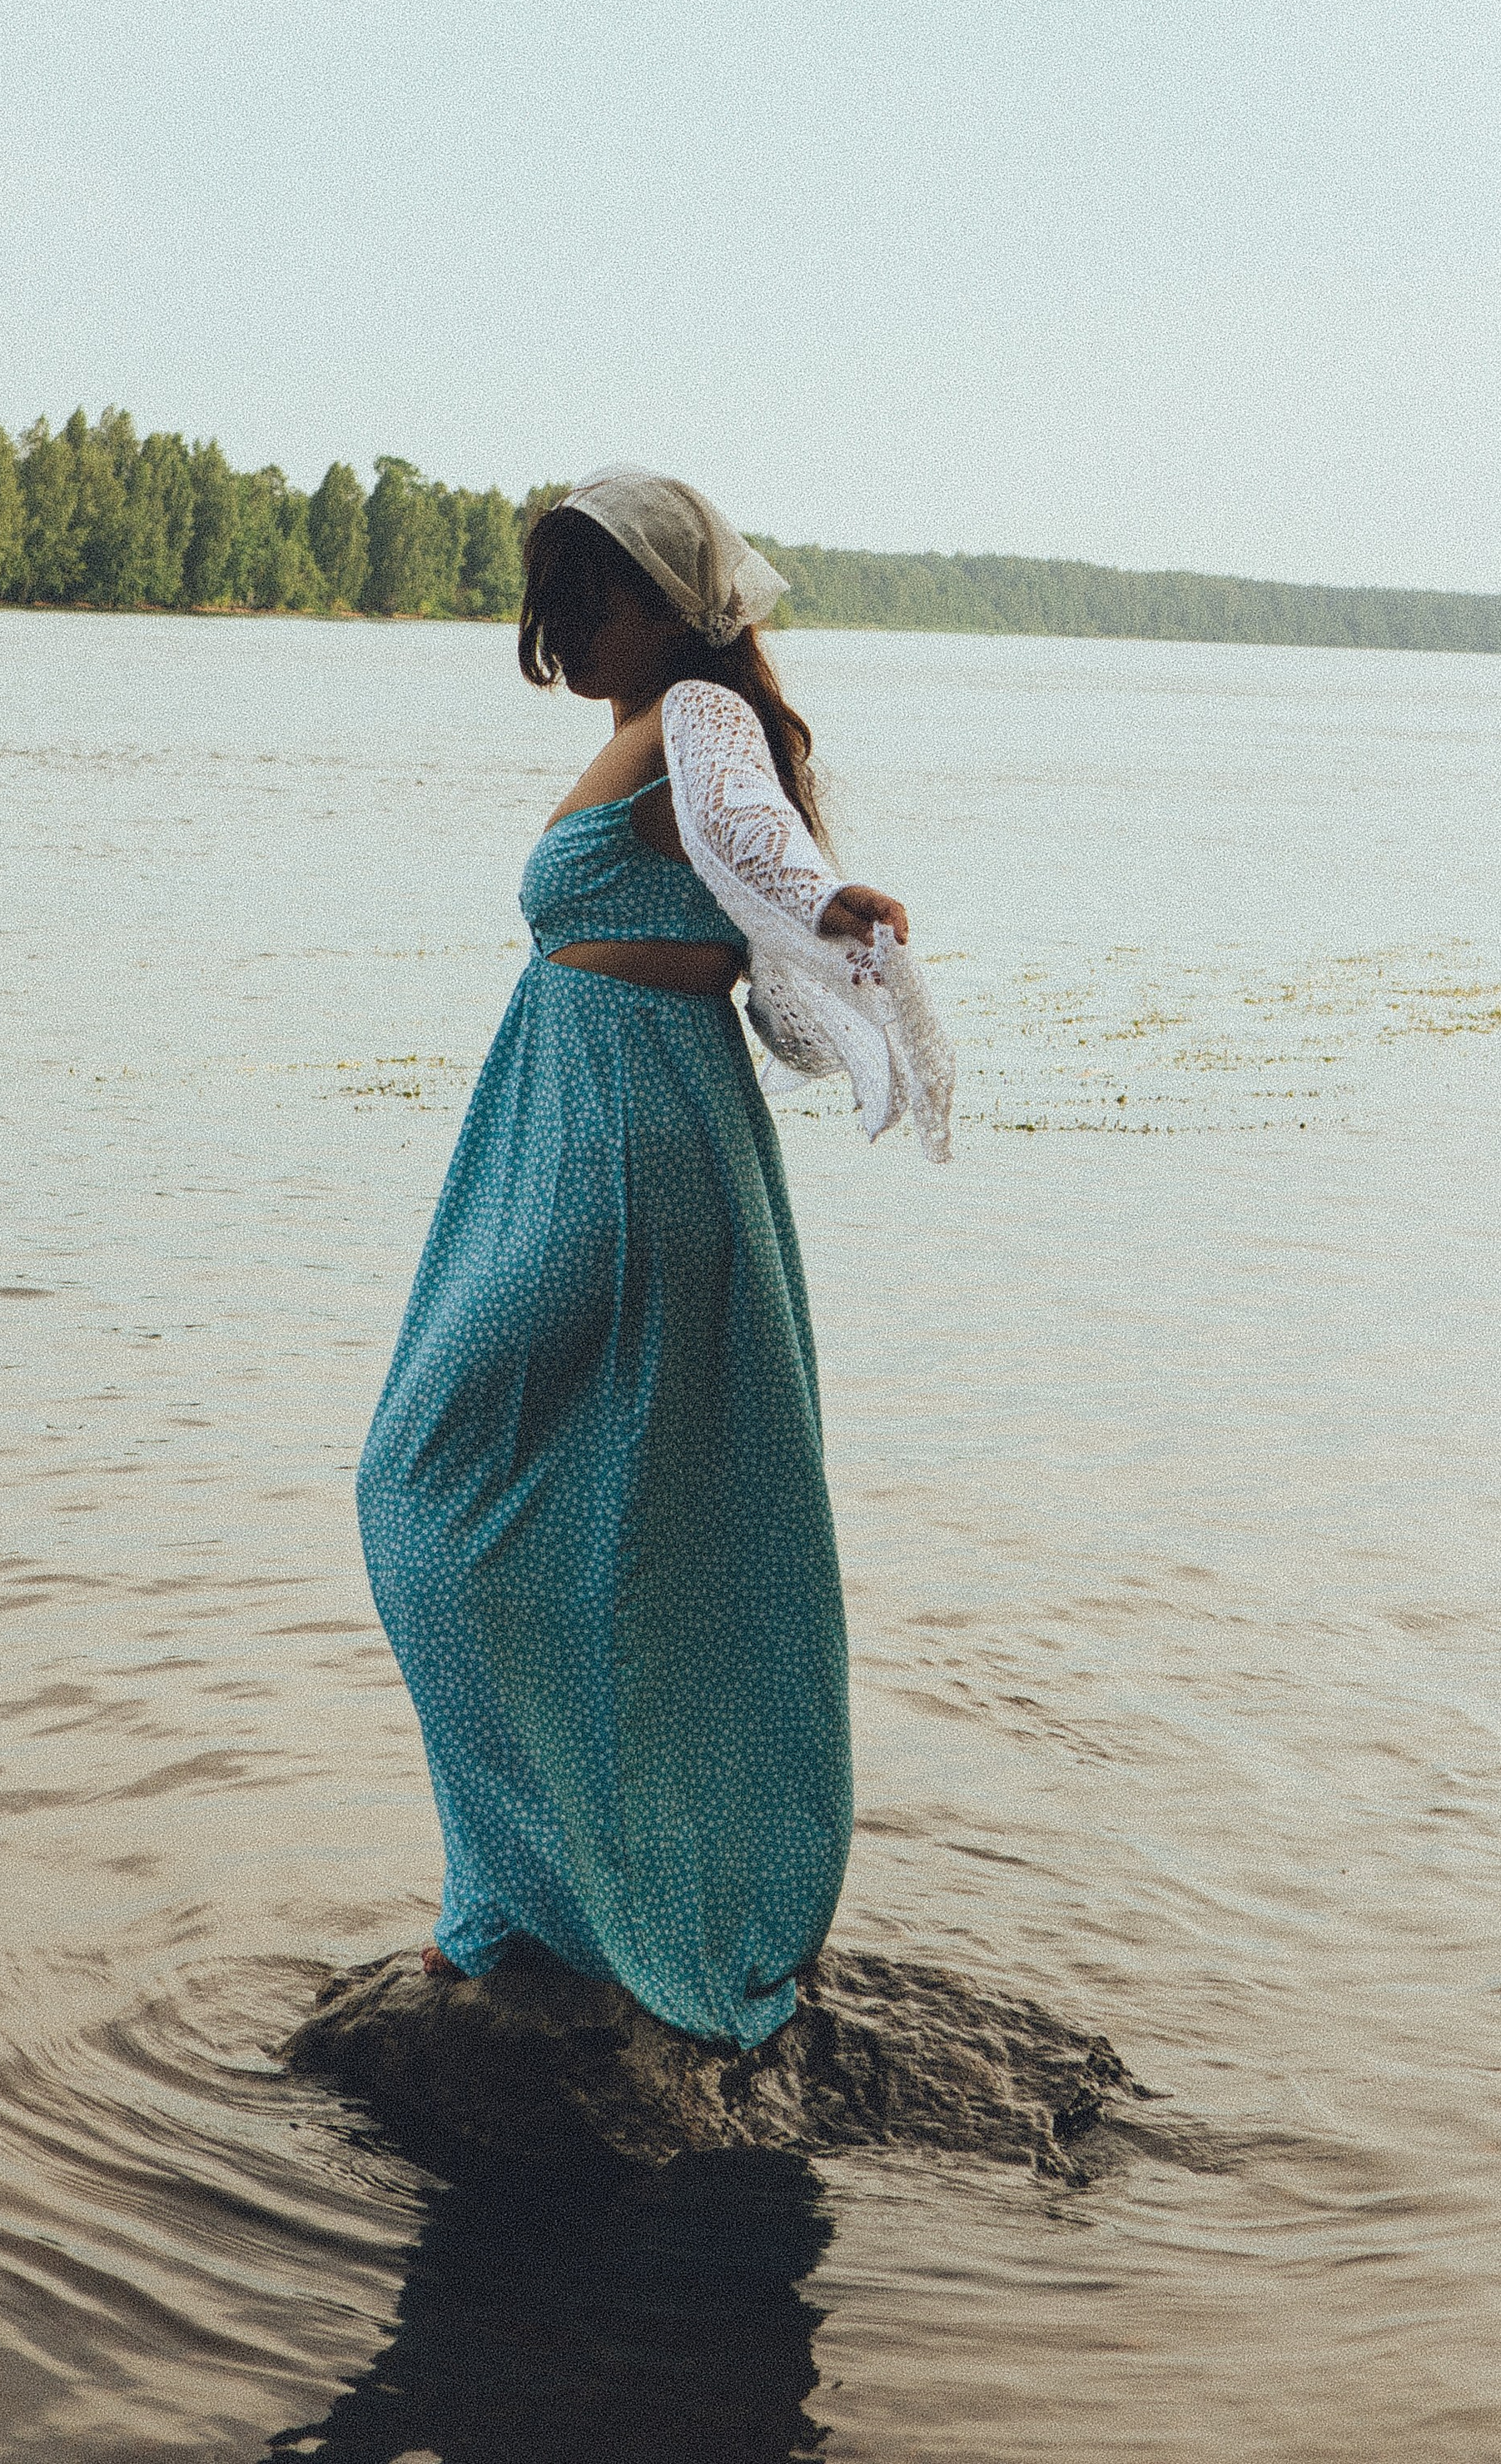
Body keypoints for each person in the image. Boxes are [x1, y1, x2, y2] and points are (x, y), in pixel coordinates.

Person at [355, 470, 949, 2049]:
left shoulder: (700, 717)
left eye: (593, 604)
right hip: (589, 1125)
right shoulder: (657, 724)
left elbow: (755, 846)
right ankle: (534, 1894)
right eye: (555, 611)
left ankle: (569, 1898)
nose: (570, 637)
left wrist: (830, 902)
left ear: (672, 601)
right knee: (601, 1517)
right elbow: (739, 897)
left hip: (626, 1145)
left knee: (430, 1489)